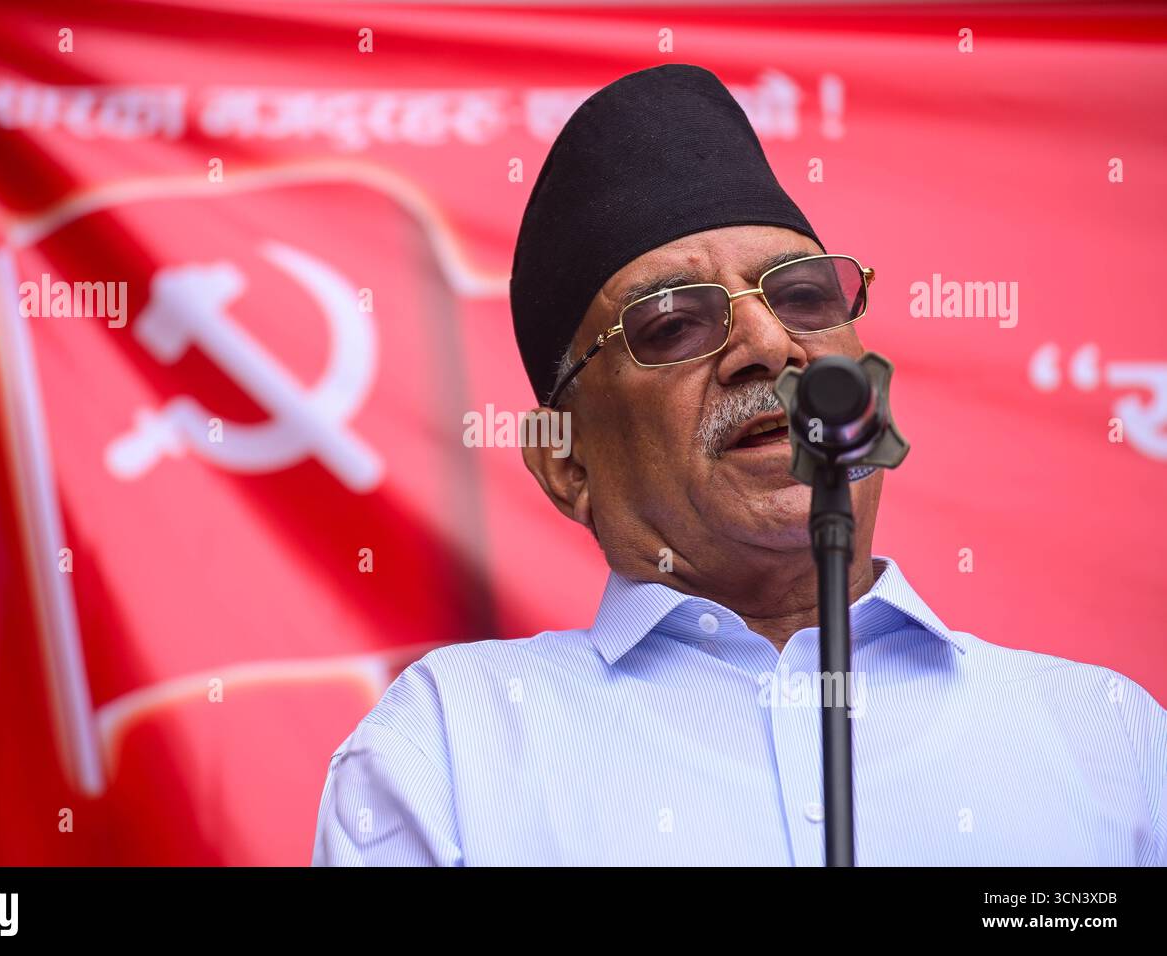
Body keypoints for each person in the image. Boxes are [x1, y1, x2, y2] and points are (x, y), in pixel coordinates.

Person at [311, 63, 1165, 866]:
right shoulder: (449, 754)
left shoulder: (1107, 741)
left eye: (804, 296)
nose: (766, 344)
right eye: (674, 322)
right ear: (566, 463)